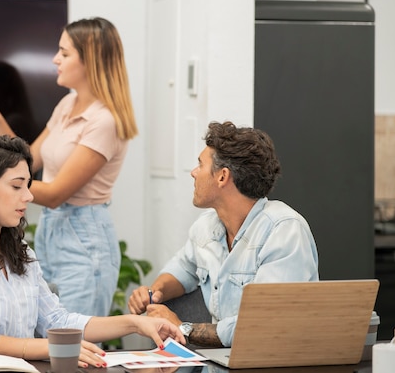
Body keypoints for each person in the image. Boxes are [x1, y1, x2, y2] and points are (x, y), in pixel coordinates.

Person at [0, 17, 138, 317]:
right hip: (51, 232)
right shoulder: (68, 105)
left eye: (65, 53)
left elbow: (55, 193)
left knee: (73, 345)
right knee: (50, 338)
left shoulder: (104, 121)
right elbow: (27, 160)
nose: (56, 59)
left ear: (91, 60)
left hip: (85, 240)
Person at [0, 133, 184, 366]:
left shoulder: (19, 250)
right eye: (16, 186)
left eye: (28, 185)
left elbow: (56, 321)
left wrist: (134, 323)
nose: (29, 196)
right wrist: (50, 347)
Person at [127, 121, 319, 348]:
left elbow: (261, 327)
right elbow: (183, 269)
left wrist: (183, 328)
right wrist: (154, 292)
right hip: (221, 359)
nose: (193, 173)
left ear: (222, 177)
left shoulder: (284, 230)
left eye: (200, 164)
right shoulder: (206, 227)